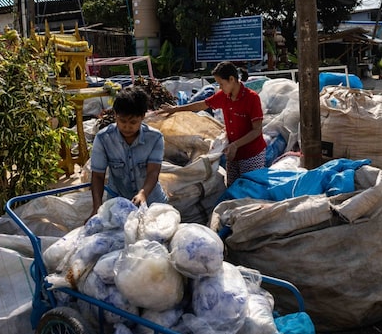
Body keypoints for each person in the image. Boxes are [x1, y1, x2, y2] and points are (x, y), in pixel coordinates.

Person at [159, 61, 266, 186]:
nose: (219, 88)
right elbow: (202, 104)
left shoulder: (252, 98)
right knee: (232, 188)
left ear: (231, 79)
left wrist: (236, 144)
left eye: (221, 84)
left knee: (249, 189)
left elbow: (257, 130)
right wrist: (175, 109)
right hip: (233, 154)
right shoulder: (223, 96)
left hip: (251, 154)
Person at [89, 86, 168, 217]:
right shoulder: (103, 138)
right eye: (122, 121)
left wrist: (143, 194)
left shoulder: (155, 138)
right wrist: (97, 207)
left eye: (133, 122)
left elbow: (153, 171)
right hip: (117, 204)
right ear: (115, 115)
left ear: (142, 117)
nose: (127, 127)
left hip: (152, 203)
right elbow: (97, 176)